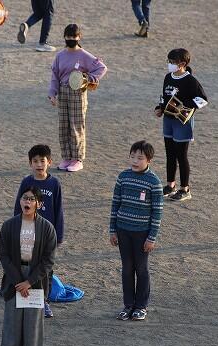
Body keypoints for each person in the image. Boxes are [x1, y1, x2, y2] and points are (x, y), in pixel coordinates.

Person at [0, 187, 57, 346]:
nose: (27, 202)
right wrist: (19, 281)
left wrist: (29, 282)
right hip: (14, 278)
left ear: (38, 204)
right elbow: (4, 255)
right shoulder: (9, 226)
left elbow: (48, 260)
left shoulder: (47, 228)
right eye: (25, 198)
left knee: (33, 324)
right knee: (13, 322)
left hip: (36, 279)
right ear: (20, 201)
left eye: (32, 199)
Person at [109, 141, 163, 321]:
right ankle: (128, 305)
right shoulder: (123, 177)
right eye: (132, 157)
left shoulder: (154, 182)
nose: (135, 161)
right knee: (127, 269)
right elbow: (115, 204)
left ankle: (141, 306)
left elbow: (157, 212)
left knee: (141, 269)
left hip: (142, 233)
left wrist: (151, 238)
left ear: (149, 160)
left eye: (140, 158)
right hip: (123, 230)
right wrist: (112, 230)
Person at [13, 144, 64, 318]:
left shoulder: (54, 183)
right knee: (27, 266)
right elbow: (18, 206)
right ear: (30, 163)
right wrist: (16, 229)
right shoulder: (27, 182)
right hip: (28, 233)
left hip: (47, 235)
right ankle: (26, 298)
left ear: (49, 162)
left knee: (46, 269)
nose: (39, 164)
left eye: (42, 161)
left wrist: (59, 235)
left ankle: (45, 301)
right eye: (35, 161)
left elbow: (58, 210)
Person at [48, 24, 107, 172]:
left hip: (77, 93)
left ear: (79, 37)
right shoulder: (60, 56)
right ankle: (67, 157)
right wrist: (52, 93)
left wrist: (88, 78)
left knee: (76, 125)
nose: (71, 39)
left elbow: (101, 68)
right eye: (68, 36)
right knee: (64, 126)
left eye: (74, 36)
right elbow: (55, 76)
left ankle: (77, 158)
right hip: (63, 91)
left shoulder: (84, 55)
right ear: (64, 37)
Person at [154, 48, 208, 202]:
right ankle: (170, 185)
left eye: (173, 62)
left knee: (181, 156)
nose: (170, 64)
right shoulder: (168, 77)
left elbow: (203, 99)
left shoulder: (190, 81)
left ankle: (185, 189)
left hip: (182, 122)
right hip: (168, 120)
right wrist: (160, 108)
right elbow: (164, 97)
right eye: (169, 61)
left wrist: (183, 105)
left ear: (183, 64)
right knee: (170, 154)